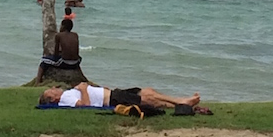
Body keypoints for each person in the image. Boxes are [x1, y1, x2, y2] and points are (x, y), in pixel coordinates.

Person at [39, 82, 200, 110]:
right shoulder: (65, 99)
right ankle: (181, 101)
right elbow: (85, 106)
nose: (54, 88)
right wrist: (82, 89)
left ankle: (181, 103)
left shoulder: (67, 93)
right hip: (111, 99)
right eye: (51, 91)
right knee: (147, 99)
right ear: (53, 99)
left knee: (148, 92)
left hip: (111, 93)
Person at [35, 18, 82, 84]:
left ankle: (38, 82)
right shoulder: (75, 35)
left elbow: (56, 53)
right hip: (76, 62)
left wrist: (55, 54)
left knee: (43, 60)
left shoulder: (59, 35)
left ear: (63, 26)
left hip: (65, 62)